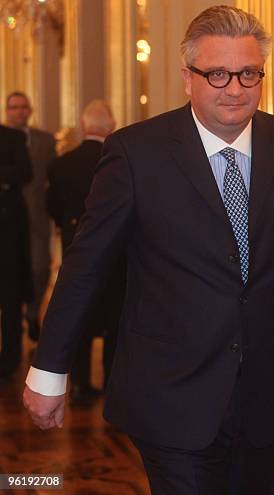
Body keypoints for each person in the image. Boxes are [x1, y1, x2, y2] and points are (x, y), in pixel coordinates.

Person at [23, 6, 274, 495]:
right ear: (187, 78)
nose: (234, 88)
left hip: (269, 396)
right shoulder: (135, 153)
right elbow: (86, 267)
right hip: (170, 395)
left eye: (248, 73)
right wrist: (49, 370)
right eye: (217, 74)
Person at [46, 100, 123, 398]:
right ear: (112, 126)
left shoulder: (62, 163)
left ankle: (79, 384)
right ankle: (112, 384)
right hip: (118, 254)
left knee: (79, 313)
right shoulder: (121, 159)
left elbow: (51, 207)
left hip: (75, 247)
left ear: (82, 125)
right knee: (115, 319)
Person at [5, 92, 56, 341]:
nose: (19, 112)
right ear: (6, 111)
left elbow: (54, 177)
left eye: (24, 107)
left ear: (30, 110)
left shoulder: (45, 141)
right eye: (14, 107)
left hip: (36, 215)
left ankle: (32, 312)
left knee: (40, 268)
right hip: (7, 217)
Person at [0, 124, 32, 379]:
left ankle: (10, 360)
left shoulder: (13, 137)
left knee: (10, 300)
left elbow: (25, 172)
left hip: (7, 234)